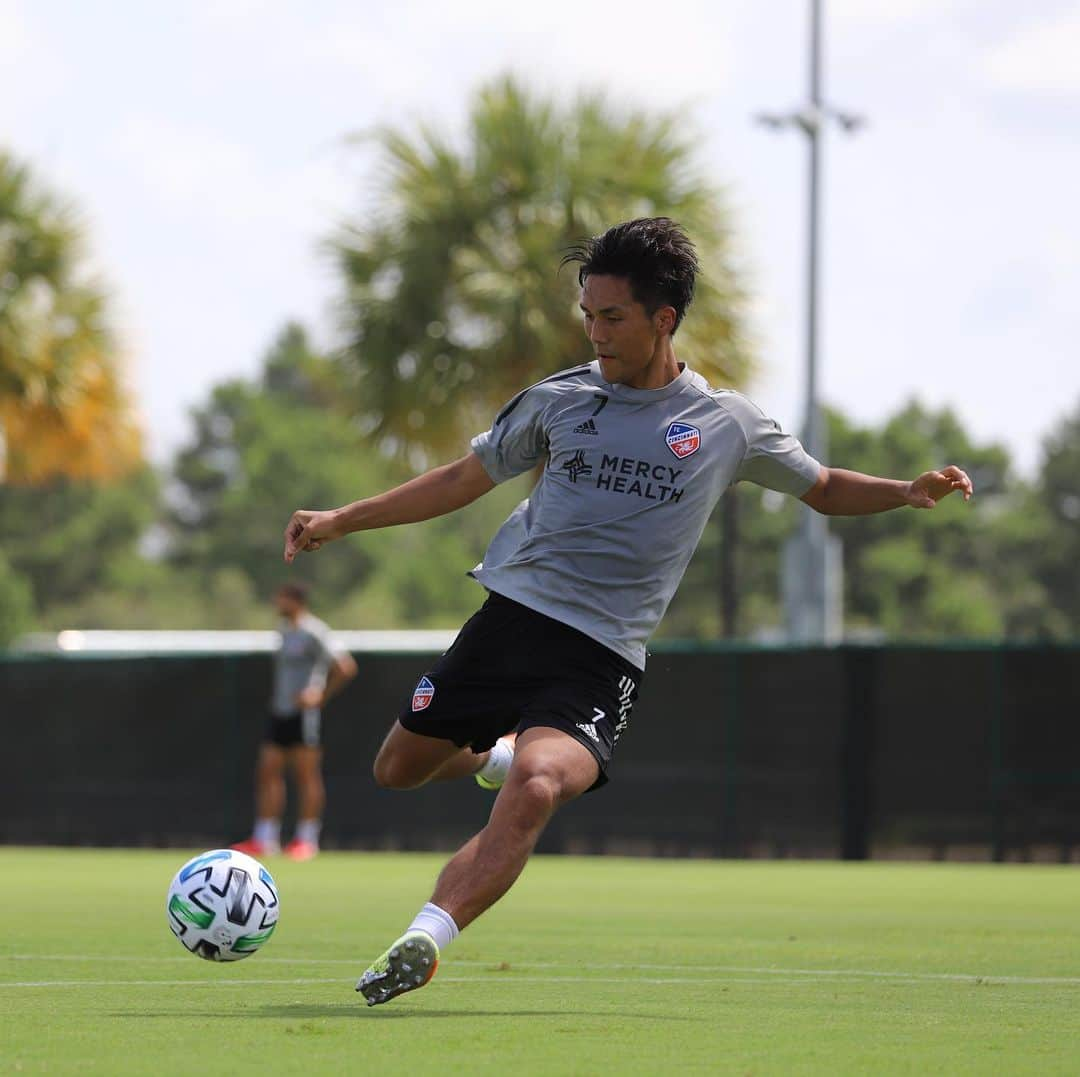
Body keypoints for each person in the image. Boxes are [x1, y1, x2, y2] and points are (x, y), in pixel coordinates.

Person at [282, 217, 973, 1004]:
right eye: (588, 315)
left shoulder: (727, 425)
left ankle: (425, 935)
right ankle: (496, 756)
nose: (595, 333)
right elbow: (457, 479)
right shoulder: (562, 399)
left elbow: (820, 486)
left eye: (612, 318)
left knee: (542, 785)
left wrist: (904, 491)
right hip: (508, 622)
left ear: (663, 320)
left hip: (600, 656)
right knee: (396, 768)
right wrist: (343, 517)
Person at [232, 582, 357, 861]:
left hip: (304, 716)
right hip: (280, 712)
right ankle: (265, 838)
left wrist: (319, 695)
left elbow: (345, 666)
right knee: (267, 771)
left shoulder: (315, 630)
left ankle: (307, 839)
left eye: (282, 599)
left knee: (306, 775)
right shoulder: (284, 631)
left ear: (295, 601)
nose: (277, 604)